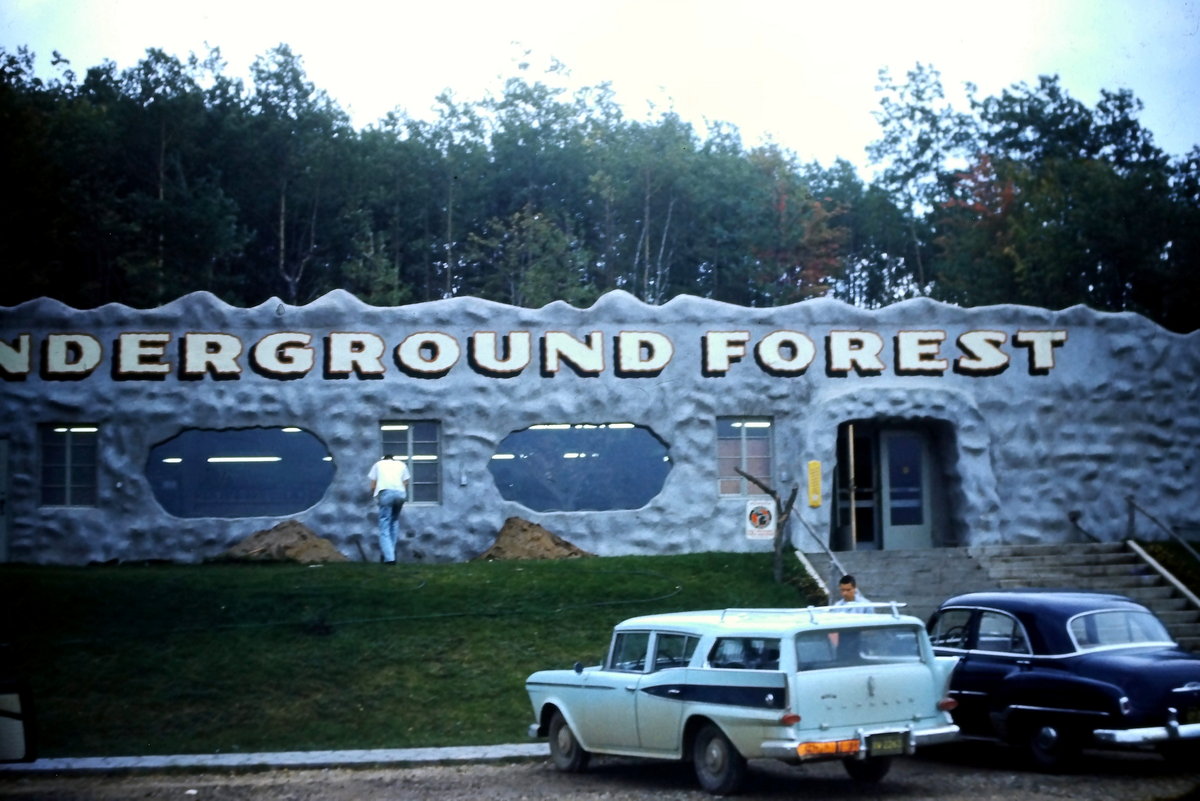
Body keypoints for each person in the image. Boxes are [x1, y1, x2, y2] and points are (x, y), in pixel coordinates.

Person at [368, 454, 410, 564]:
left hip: (385, 493)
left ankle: (389, 558)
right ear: (393, 459)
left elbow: (372, 486)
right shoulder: (401, 464)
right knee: (394, 522)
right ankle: (390, 551)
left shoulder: (378, 464)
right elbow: (405, 483)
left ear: (383, 459)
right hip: (400, 494)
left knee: (384, 525)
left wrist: (376, 498)